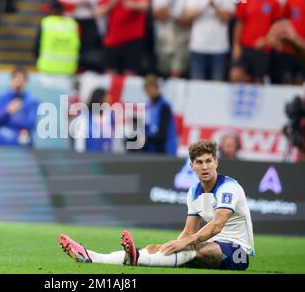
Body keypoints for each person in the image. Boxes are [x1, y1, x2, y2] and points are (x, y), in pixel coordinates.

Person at [59, 140, 255, 271]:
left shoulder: (229, 187)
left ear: (216, 163)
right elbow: (189, 232)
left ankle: (137, 258)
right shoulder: (194, 191)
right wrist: (169, 246)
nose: (204, 167)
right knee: (157, 248)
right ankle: (93, 257)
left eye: (208, 161)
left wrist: (183, 244)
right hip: (209, 244)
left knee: (190, 249)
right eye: (199, 162)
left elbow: (217, 225)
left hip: (237, 252)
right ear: (192, 166)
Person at [230, 0, 283, 84]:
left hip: (263, 48)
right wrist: (236, 45)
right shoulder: (245, 0)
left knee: (258, 80)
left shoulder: (274, 2)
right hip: (246, 47)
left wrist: (266, 40)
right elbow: (239, 24)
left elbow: (277, 26)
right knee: (235, 75)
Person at [95, 0, 149, 75]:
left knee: (129, 75)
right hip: (113, 41)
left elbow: (145, 5)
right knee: (109, 74)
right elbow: (97, 12)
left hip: (131, 41)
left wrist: (133, 4)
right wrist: (112, 2)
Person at [185, 0, 235, 81]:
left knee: (217, 82)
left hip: (219, 47)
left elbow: (227, 17)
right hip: (198, 46)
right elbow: (189, 15)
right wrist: (207, 3)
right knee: (197, 82)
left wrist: (214, 5)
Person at [152, 0, 191, 78]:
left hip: (180, 39)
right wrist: (176, 15)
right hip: (163, 38)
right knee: (163, 72)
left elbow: (186, 20)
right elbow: (158, 15)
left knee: (176, 72)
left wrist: (170, 14)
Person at [0, 67, 39, 146]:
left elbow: (31, 124)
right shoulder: (0, 98)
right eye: (16, 80)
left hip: (21, 144)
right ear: (11, 80)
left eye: (21, 81)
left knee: (25, 138)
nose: (18, 84)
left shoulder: (32, 101)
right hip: (0, 144)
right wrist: (8, 111)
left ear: (25, 82)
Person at [35, 0, 81, 75]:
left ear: (52, 10)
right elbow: (79, 46)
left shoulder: (46, 22)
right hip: (68, 70)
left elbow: (36, 45)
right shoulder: (73, 24)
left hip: (47, 68)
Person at [142, 75, 177, 155]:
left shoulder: (164, 106)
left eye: (149, 90)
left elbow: (163, 132)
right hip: (152, 149)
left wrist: (147, 139)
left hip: (165, 149)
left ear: (156, 88)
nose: (148, 94)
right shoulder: (148, 106)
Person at [72, 88, 114, 153]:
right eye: (106, 98)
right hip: (90, 157)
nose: (109, 99)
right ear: (100, 99)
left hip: (107, 158)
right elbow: (79, 142)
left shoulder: (110, 116)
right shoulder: (84, 117)